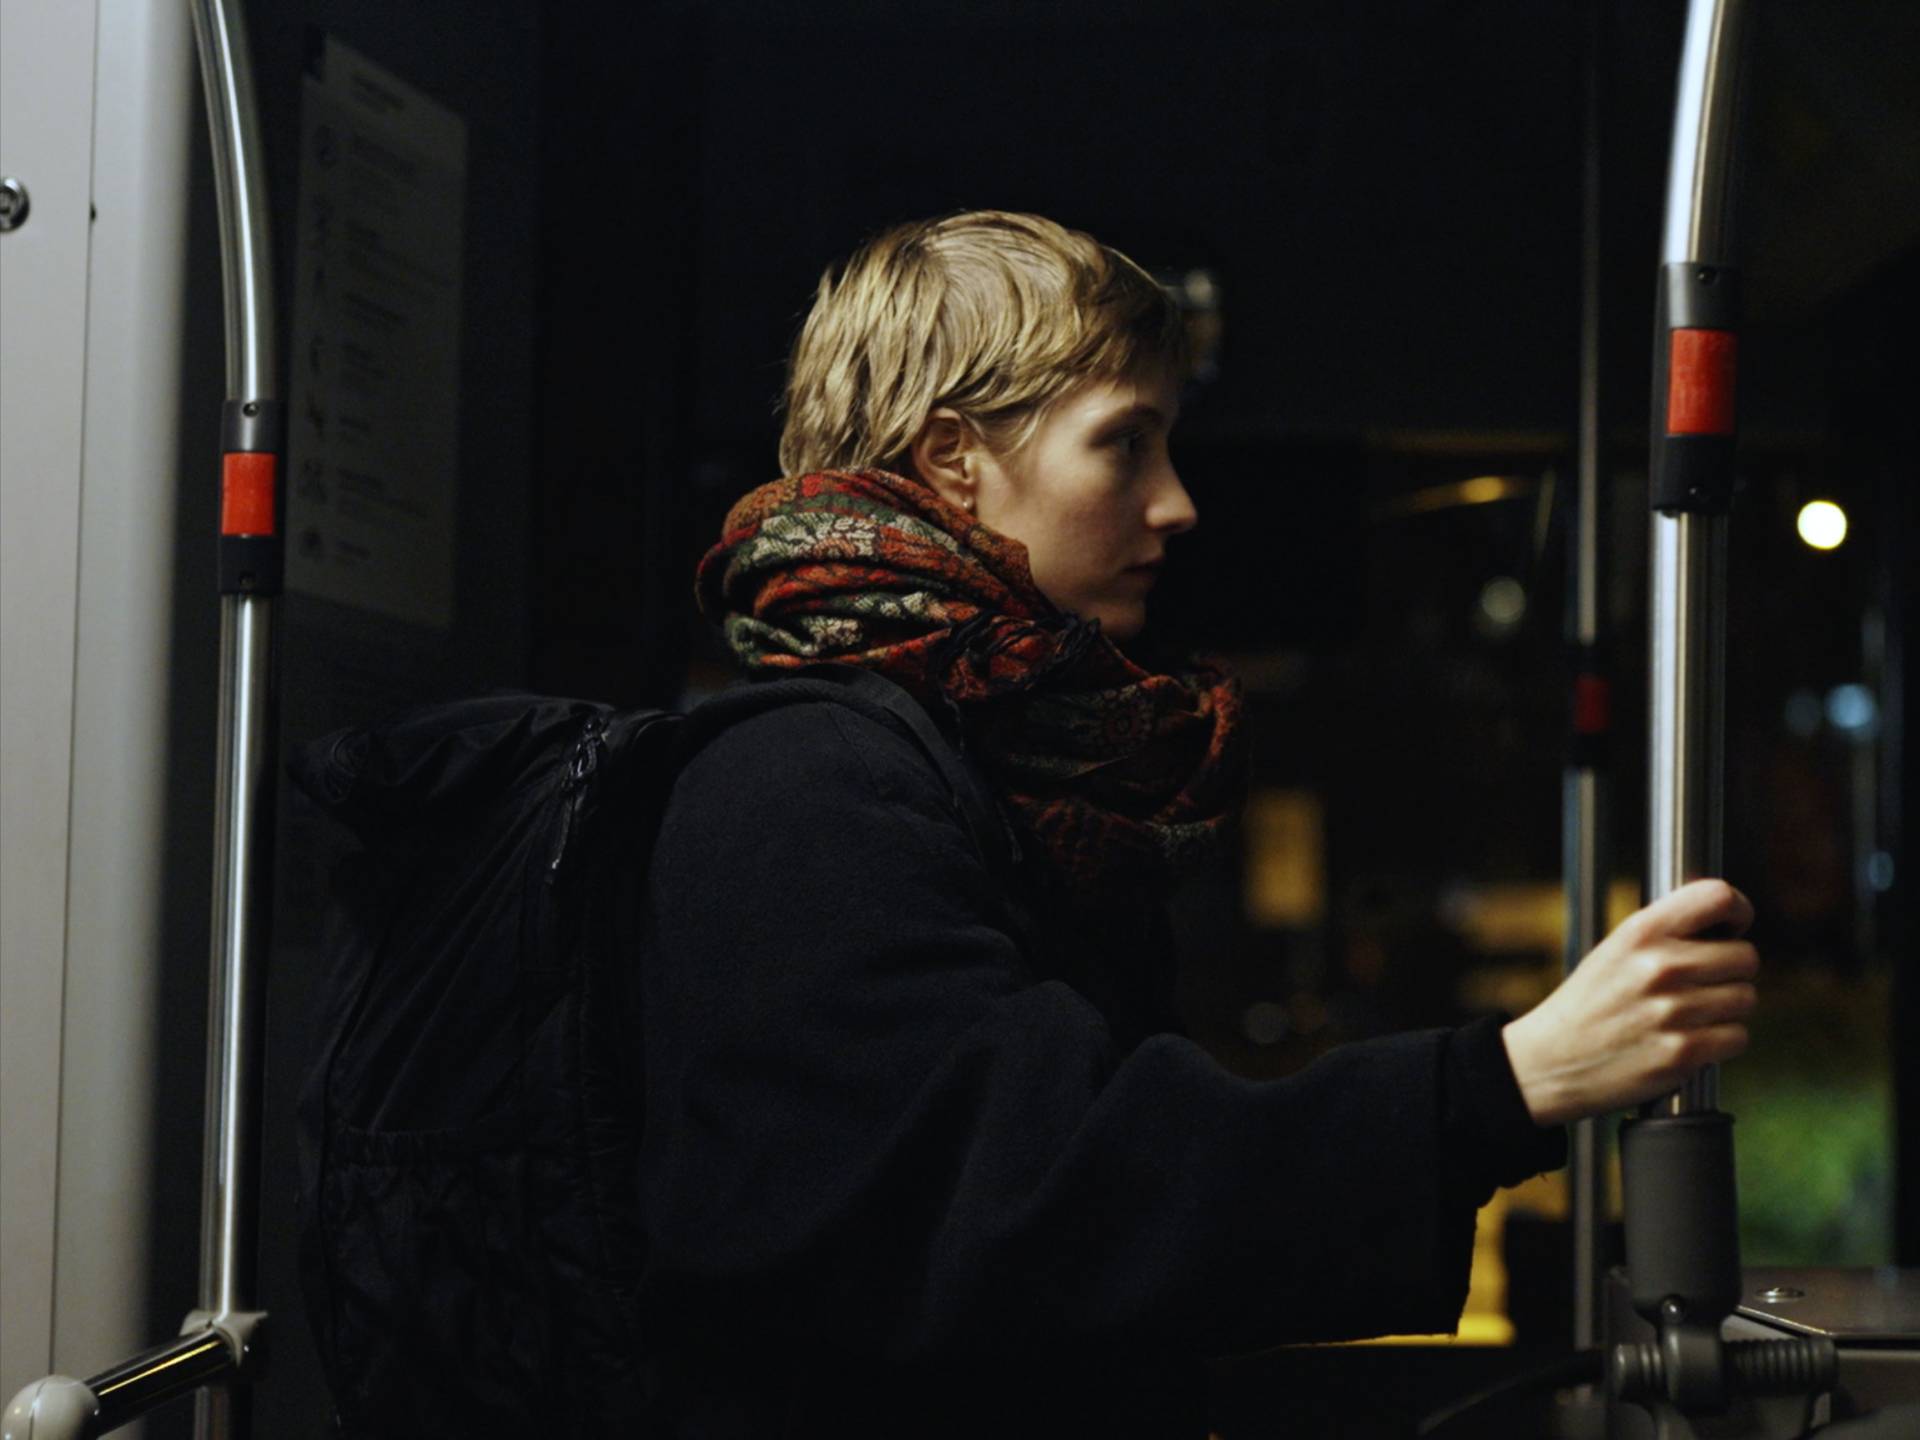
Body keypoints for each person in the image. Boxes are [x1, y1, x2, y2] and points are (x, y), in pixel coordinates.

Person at [637, 211, 1760, 1437]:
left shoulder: (1002, 767)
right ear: (954, 458)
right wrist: (1507, 1081)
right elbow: (1038, 1203)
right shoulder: (801, 785)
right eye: (1124, 444)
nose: (1175, 504)